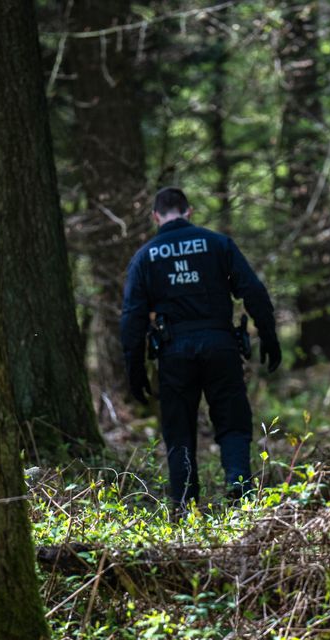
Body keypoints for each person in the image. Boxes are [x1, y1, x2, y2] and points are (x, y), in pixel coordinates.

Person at [121, 187, 281, 511]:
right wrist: (269, 335)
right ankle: (239, 485)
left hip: (173, 352)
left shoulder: (146, 256)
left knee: (178, 427)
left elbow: (132, 318)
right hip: (220, 345)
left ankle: (184, 504)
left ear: (155, 217)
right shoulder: (217, 243)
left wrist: (134, 368)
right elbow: (252, 290)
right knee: (233, 419)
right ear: (188, 211)